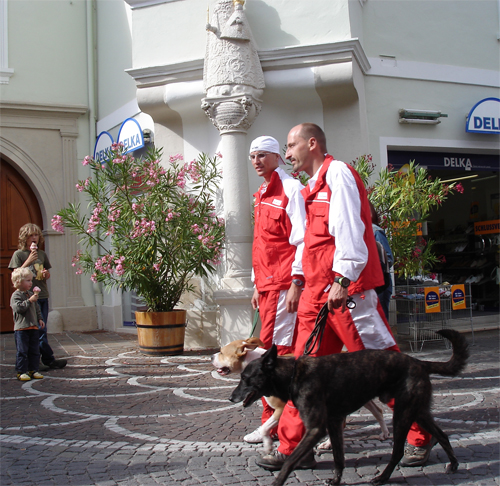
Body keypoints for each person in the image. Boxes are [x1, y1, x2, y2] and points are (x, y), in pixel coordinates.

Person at [255, 123, 435, 471]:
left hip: (345, 294)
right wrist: (302, 281)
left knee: (389, 369)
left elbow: (350, 227)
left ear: (312, 143)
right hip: (316, 294)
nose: (287, 154)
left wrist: (343, 277)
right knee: (301, 372)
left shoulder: (337, 173)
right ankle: (295, 447)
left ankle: (419, 437)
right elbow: (309, 243)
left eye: (291, 146)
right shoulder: (311, 187)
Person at [245, 135, 306, 444]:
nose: (256, 160)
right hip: (268, 286)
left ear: (276, 157)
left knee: (278, 353)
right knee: (268, 350)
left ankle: (279, 426)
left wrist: (297, 282)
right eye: (253, 156)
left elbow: (301, 240)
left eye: (261, 155)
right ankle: (273, 420)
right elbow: (262, 246)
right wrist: (257, 285)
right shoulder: (261, 194)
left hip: (284, 286)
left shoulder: (291, 189)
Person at [9, 224, 67, 371]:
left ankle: (43, 360)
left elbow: (45, 273)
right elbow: (15, 274)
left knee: (41, 329)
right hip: (26, 297)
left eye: (36, 235)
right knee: (33, 330)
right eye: (30, 236)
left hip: (42, 294)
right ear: (24, 238)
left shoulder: (41, 254)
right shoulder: (19, 254)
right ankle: (42, 360)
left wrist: (47, 274)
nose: (34, 238)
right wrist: (28, 260)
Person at [10, 268, 45, 381]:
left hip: (33, 326)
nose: (31, 283)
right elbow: (19, 308)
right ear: (19, 282)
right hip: (22, 328)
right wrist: (29, 301)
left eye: (31, 280)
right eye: (28, 280)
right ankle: (21, 371)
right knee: (22, 351)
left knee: (34, 350)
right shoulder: (16, 296)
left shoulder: (31, 294)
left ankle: (33, 369)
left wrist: (40, 318)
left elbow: (37, 308)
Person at [370, 201, 394, 320]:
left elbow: (388, 258)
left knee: (381, 320)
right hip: (370, 285)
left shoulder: (375, 231)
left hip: (380, 284)